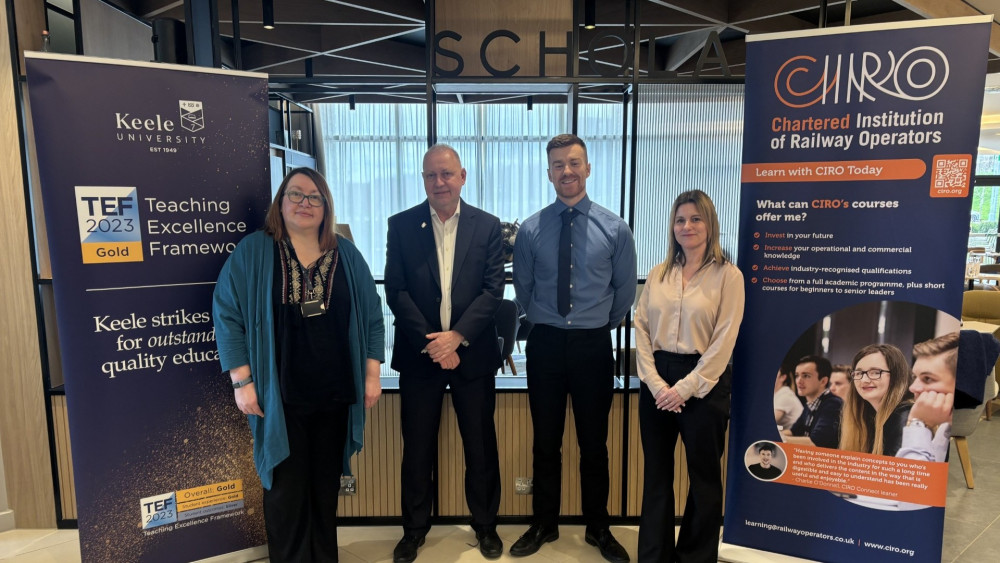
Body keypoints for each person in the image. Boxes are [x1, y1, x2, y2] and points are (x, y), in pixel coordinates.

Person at [213, 167, 384, 563]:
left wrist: (372, 374)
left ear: (326, 206)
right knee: (285, 491)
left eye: (314, 197)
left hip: (336, 392)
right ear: (281, 202)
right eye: (296, 195)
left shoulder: (346, 253)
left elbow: (373, 316)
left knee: (324, 489)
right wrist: (242, 380)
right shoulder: (254, 251)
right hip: (280, 397)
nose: (305, 203)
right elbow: (227, 312)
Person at [511, 134, 636, 563]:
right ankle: (544, 523)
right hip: (544, 343)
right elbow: (523, 292)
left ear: (587, 168)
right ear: (549, 173)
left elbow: (623, 294)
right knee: (545, 441)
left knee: (593, 443)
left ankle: (597, 527)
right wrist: (551, 322)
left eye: (574, 163)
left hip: (592, 345)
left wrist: (595, 324)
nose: (566, 171)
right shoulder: (530, 230)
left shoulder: (615, 228)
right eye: (558, 164)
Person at [385, 145, 505, 562]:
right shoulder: (400, 226)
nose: (439, 182)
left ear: (462, 176)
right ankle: (414, 530)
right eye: (431, 175)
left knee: (481, 445)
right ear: (424, 179)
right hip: (421, 357)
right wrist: (435, 343)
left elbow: (493, 291)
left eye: (447, 174)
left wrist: (457, 338)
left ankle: (486, 526)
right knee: (417, 447)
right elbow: (395, 290)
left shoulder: (488, 227)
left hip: (472, 355)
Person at [634, 189, 744, 563]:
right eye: (680, 220)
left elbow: (724, 340)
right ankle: (654, 556)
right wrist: (655, 383)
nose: (687, 226)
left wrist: (685, 388)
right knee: (656, 478)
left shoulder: (729, 277)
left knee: (703, 480)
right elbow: (642, 329)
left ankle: (695, 557)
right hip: (657, 381)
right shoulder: (658, 274)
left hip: (704, 384)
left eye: (696, 218)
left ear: (710, 223)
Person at [839, 344, 913, 455]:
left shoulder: (903, 415)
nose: (864, 380)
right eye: (859, 373)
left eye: (875, 372)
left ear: (896, 376)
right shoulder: (866, 415)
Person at [897, 332, 958, 462]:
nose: (913, 388)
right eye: (915, 377)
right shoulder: (944, 427)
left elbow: (912, 478)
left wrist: (917, 423)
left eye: (927, 379)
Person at [782, 355, 842, 448]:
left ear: (823, 381)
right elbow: (793, 431)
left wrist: (780, 438)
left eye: (806, 376)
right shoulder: (810, 403)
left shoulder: (833, 404)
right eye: (797, 375)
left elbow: (815, 442)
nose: (798, 381)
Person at [773, 364, 803, 430]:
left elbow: (769, 421)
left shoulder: (785, 396)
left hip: (795, 437)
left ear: (783, 377)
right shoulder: (776, 394)